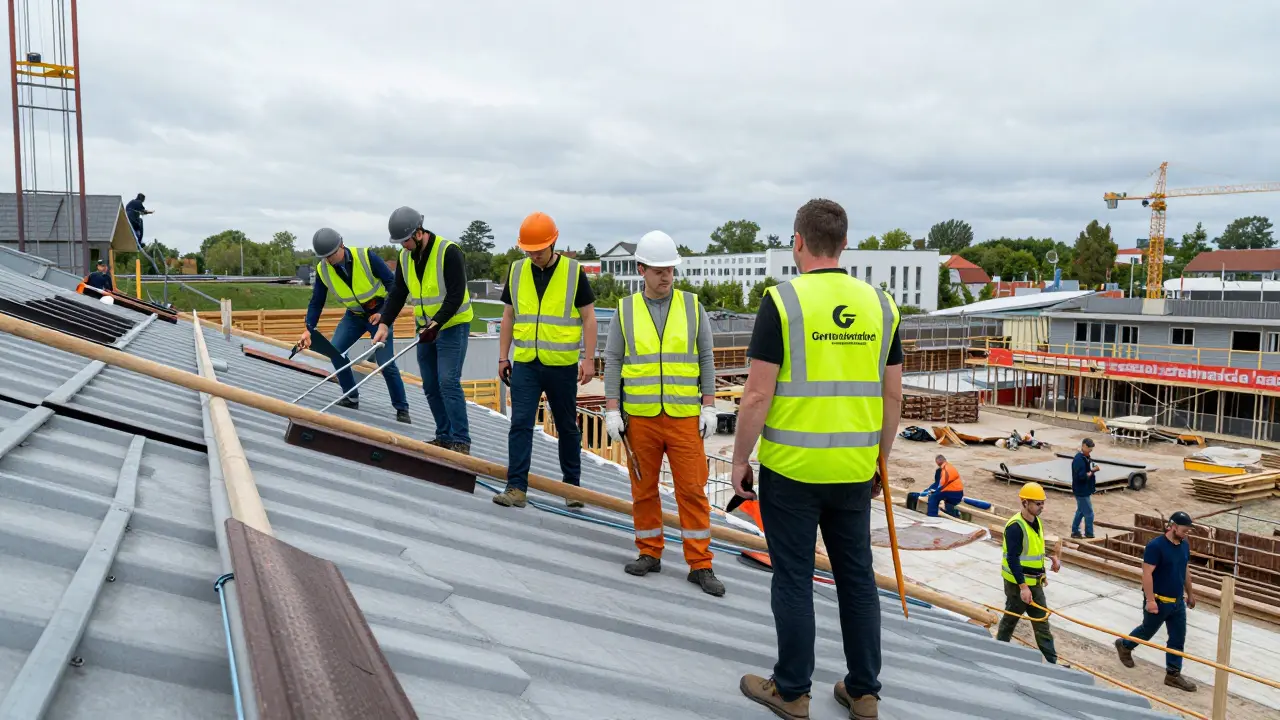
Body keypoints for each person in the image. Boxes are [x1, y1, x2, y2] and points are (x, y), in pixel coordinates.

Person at [734, 199, 903, 720]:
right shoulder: (882, 306)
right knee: (857, 579)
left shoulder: (783, 302)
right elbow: (893, 396)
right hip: (854, 472)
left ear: (798, 242)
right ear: (845, 244)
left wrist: (741, 459)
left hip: (792, 472)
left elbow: (757, 396)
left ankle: (791, 691)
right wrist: (880, 459)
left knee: (793, 578)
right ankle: (864, 691)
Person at [603, 229, 724, 598]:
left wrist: (709, 404)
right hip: (640, 418)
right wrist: (612, 410)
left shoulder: (692, 306)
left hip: (684, 416)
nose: (666, 275)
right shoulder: (625, 311)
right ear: (641, 270)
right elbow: (612, 361)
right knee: (643, 489)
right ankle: (649, 552)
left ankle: (700, 564)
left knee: (692, 490)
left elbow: (706, 357)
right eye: (658, 270)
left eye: (670, 269)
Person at [492, 212, 597, 509]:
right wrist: (503, 357)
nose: (534, 256)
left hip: (562, 366)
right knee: (521, 423)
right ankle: (516, 488)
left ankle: (572, 488)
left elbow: (589, 317)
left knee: (566, 426)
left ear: (554, 243)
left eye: (539, 250)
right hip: (526, 363)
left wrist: (589, 360)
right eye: (529, 251)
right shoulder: (516, 271)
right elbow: (509, 316)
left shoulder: (574, 272)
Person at [375, 206, 473, 453]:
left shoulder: (449, 252)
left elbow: (455, 295)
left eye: (405, 240)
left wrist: (436, 324)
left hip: (452, 326)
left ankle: (461, 441)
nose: (402, 246)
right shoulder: (405, 257)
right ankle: (444, 436)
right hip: (426, 330)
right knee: (430, 384)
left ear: (419, 233)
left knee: (448, 381)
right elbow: (398, 293)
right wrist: (385, 322)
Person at [298, 228, 410, 423]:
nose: (328, 260)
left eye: (331, 255)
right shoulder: (323, 269)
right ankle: (350, 397)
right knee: (335, 351)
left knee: (385, 362)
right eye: (324, 257)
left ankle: (402, 408)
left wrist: (383, 315)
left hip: (379, 312)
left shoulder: (366, 257)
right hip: (354, 316)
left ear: (341, 245)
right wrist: (309, 327)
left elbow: (393, 285)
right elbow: (316, 301)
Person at [1114, 511, 1198, 692]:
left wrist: (1190, 593)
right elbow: (1147, 574)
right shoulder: (1155, 546)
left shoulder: (1184, 545)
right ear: (1172, 527)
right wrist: (1150, 600)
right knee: (1147, 631)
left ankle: (1173, 674)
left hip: (1177, 602)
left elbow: (1185, 570)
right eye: (1184, 530)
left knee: (1177, 638)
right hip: (1159, 601)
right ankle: (1125, 645)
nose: (1186, 533)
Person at [996, 482, 1062, 665]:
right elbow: (1013, 559)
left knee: (1042, 621)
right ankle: (997, 653)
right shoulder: (1015, 527)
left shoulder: (1036, 522)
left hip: (1035, 583)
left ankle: (1052, 662)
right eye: (1037, 503)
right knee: (1010, 619)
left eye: (1042, 503)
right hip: (1018, 585)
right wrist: (1023, 587)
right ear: (1025, 503)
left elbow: (1035, 548)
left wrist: (1052, 557)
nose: (1042, 507)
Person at [1071, 438, 1098, 538]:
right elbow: (1082, 477)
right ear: (1083, 446)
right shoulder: (1079, 459)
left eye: (1091, 449)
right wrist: (1093, 471)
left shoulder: (1085, 457)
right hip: (1081, 490)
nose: (1089, 451)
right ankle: (1089, 533)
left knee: (1081, 511)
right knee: (1089, 513)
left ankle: (1075, 531)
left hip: (1084, 489)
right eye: (1088, 449)